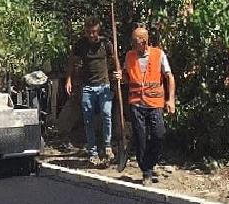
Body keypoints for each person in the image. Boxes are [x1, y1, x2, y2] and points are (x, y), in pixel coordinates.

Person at [114, 27, 176, 185]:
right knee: (141, 138)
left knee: (159, 134)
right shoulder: (129, 56)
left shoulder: (158, 54)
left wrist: (171, 100)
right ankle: (146, 171)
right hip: (136, 103)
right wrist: (121, 76)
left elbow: (169, 77)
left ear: (144, 41)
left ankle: (150, 162)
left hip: (155, 103)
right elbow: (128, 78)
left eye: (136, 42)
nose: (133, 45)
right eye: (132, 41)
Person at [65, 17, 115, 165]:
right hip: (87, 87)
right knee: (88, 120)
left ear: (98, 31)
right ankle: (92, 151)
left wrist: (117, 72)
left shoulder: (106, 44)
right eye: (88, 32)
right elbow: (72, 62)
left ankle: (107, 146)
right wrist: (68, 79)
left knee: (107, 115)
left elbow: (114, 60)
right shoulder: (80, 44)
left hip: (104, 85)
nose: (91, 35)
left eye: (93, 32)